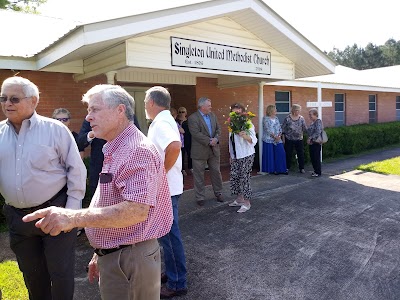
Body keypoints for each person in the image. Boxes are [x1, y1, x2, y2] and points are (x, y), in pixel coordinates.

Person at [23, 84, 173, 300]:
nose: (88, 117)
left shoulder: (137, 150)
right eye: (88, 110)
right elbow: (111, 199)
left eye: (95, 110)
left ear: (120, 111)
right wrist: (102, 250)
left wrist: (72, 217)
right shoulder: (116, 146)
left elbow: (135, 211)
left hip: (129, 258)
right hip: (120, 253)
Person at [0, 76, 87, 300]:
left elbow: (76, 171)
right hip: (19, 219)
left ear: (33, 101)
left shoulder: (55, 130)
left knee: (60, 275)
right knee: (32, 275)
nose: (7, 103)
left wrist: (71, 214)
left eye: (14, 98)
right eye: (3, 98)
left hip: (55, 213)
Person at [145, 86, 188, 298]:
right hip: (169, 188)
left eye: (145, 102)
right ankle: (173, 273)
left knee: (169, 236)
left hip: (167, 189)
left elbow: (173, 146)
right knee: (168, 236)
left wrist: (159, 174)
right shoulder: (164, 120)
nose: (144, 105)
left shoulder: (161, 122)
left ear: (152, 102)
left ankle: (178, 282)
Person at [77, 111, 141, 196]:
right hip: (99, 170)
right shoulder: (91, 118)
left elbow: (137, 139)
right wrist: (92, 134)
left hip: (123, 170)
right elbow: (80, 142)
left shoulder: (127, 115)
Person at [188, 97, 224, 206]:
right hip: (199, 151)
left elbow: (219, 129)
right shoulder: (193, 118)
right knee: (199, 175)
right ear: (202, 106)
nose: (211, 107)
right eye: (209, 105)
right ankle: (200, 197)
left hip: (214, 150)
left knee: (216, 172)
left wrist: (216, 139)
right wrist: (209, 141)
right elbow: (196, 133)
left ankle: (219, 193)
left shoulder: (212, 115)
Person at [227, 103, 257, 213]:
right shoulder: (231, 125)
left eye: (238, 113)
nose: (236, 115)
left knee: (244, 178)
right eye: (234, 113)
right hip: (236, 155)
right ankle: (239, 199)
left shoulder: (248, 124)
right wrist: (231, 155)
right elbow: (231, 142)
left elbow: (254, 140)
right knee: (235, 177)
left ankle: (247, 202)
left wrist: (245, 136)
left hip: (246, 154)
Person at [281, 104, 307, 173]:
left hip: (299, 139)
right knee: (288, 153)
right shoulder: (287, 118)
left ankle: (301, 168)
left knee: (300, 153)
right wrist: (283, 139)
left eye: (299, 110)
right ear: (293, 110)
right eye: (296, 110)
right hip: (289, 138)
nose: (297, 112)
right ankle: (287, 167)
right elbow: (283, 129)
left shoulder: (301, 118)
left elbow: (304, 128)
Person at [261, 104, 287, 174]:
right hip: (269, 139)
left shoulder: (276, 118)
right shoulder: (265, 118)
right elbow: (267, 129)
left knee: (281, 153)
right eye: (275, 109)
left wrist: (279, 136)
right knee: (271, 155)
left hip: (278, 139)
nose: (276, 111)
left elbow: (279, 127)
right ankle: (273, 170)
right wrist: (274, 136)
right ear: (271, 110)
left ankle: (281, 169)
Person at [307, 108, 323, 177]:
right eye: (309, 115)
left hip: (316, 142)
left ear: (315, 114)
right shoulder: (313, 122)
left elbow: (318, 132)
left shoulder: (318, 121)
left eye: (311, 115)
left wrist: (310, 138)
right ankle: (315, 171)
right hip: (312, 142)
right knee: (313, 157)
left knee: (316, 157)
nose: (310, 116)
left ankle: (318, 172)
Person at [177, 106, 192, 174]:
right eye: (180, 112)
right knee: (181, 155)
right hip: (180, 141)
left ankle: (190, 167)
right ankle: (182, 169)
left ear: (186, 113)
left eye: (183, 112)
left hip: (188, 139)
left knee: (190, 154)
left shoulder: (188, 121)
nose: (181, 113)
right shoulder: (176, 121)